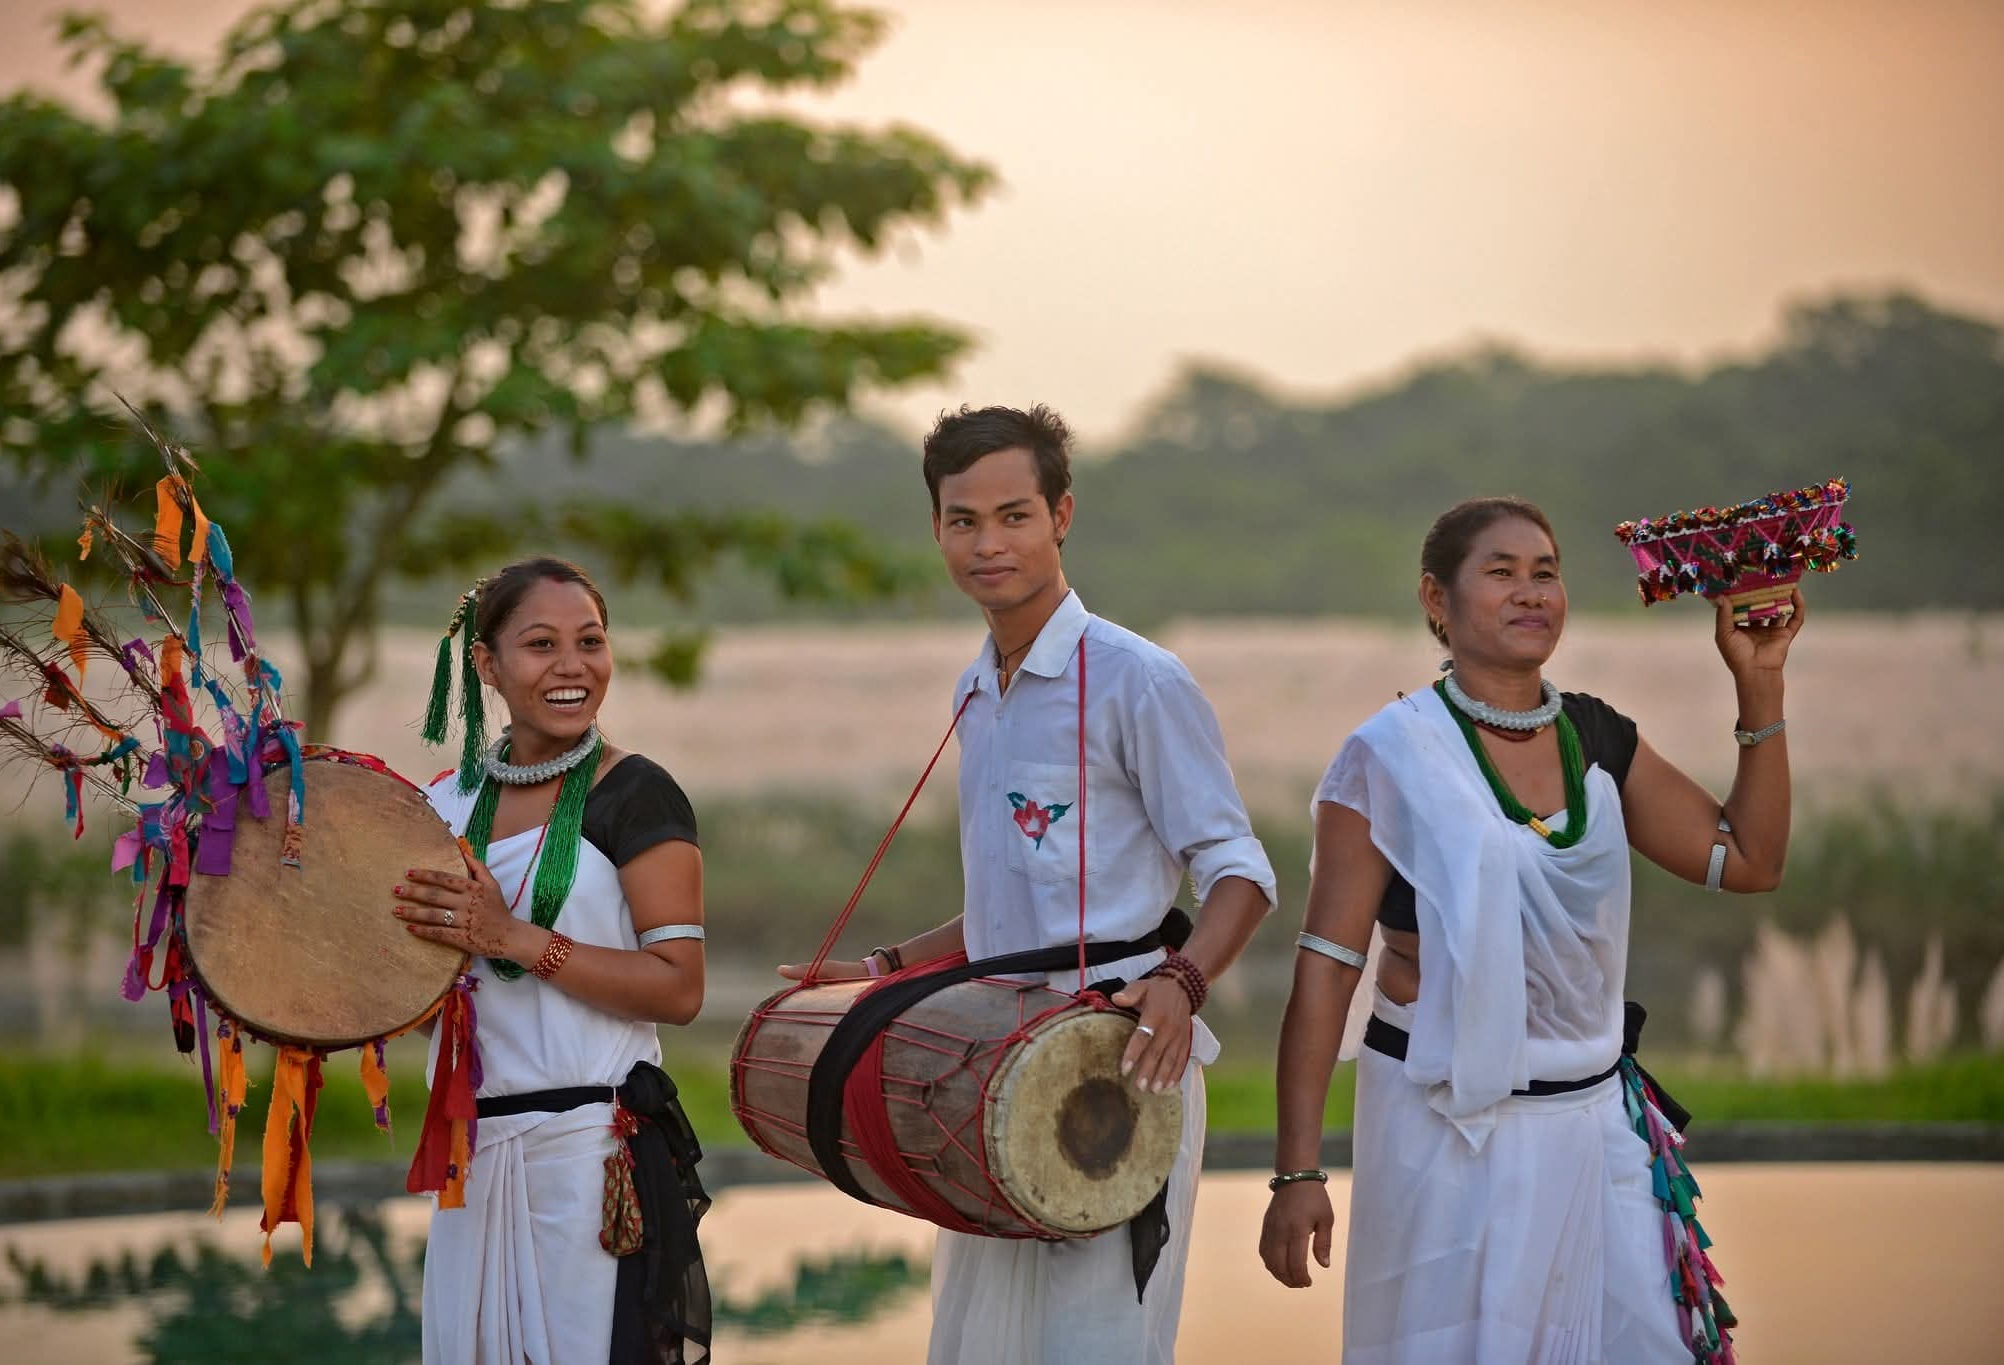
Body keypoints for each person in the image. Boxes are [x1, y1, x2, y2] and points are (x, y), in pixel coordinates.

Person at [784, 404, 1276, 1365]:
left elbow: (1240, 874)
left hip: (1117, 1061)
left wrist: (1182, 984)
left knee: (1096, 1344)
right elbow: (1014, 912)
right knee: (976, 1344)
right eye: (962, 519)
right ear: (936, 529)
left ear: (1062, 515)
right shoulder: (975, 688)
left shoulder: (1140, 679)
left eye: (1014, 514)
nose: (987, 542)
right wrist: (884, 967)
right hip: (987, 1067)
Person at [1260, 497, 1796, 1363]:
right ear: (1437, 599)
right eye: (1500, 573)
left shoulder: (1598, 737)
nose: (1530, 592)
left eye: (1545, 571)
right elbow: (1326, 970)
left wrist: (1759, 679)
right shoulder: (1390, 756)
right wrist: (1297, 1171)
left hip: (1596, 1131)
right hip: (1449, 1141)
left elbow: (1749, 861)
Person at [395, 556, 712, 1364]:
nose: (573, 666)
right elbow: (419, 986)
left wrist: (513, 939)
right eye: (542, 644)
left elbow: (679, 987)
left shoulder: (637, 793)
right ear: (488, 664)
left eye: (591, 641)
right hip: (478, 1167)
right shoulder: (442, 807)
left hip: (592, 1165)